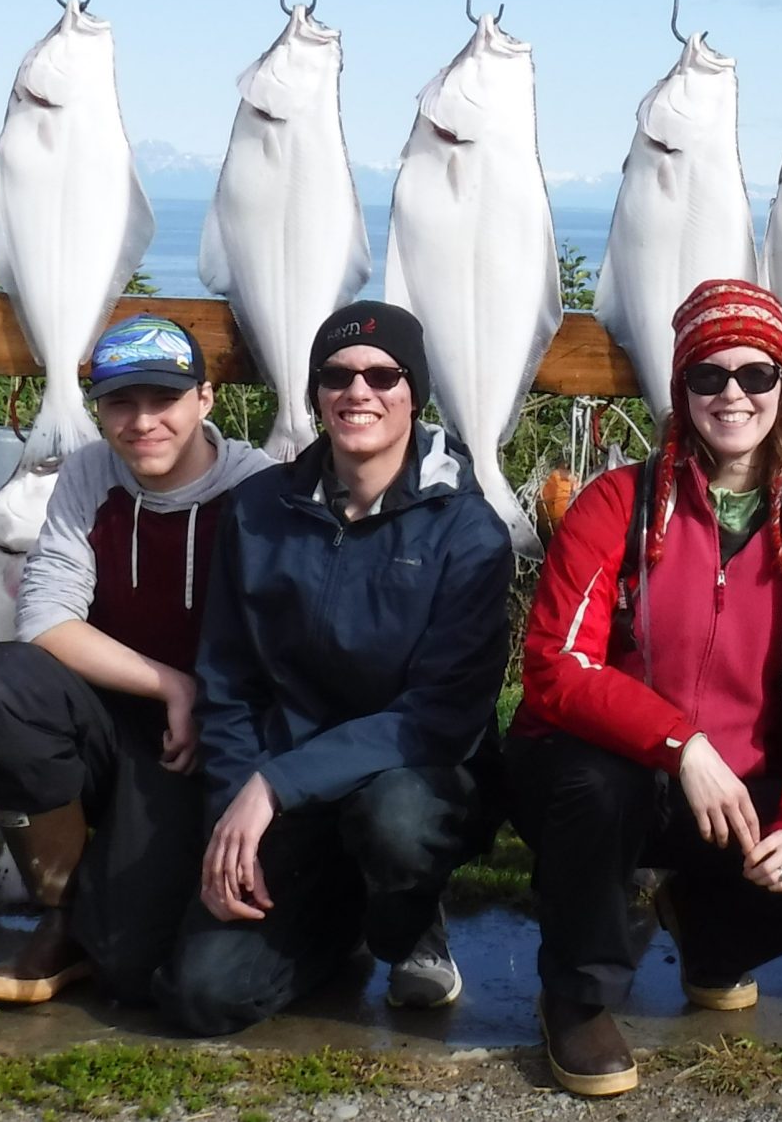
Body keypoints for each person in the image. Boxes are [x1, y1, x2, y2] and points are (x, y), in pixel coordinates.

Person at [509, 278, 782, 1097]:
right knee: (598, 779)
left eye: (756, 375)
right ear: (681, 390)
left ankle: (713, 936)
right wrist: (680, 744)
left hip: (738, 788)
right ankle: (576, 996)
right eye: (708, 375)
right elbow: (553, 664)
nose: (733, 393)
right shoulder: (616, 503)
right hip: (613, 775)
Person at [156, 301, 513, 1036]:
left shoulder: (469, 529)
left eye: (384, 375)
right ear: (316, 393)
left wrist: (273, 783)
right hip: (288, 793)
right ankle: (341, 916)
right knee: (202, 996)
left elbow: (442, 713)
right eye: (337, 375)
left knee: (395, 820)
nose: (359, 391)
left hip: (418, 778)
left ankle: (408, 921)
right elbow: (228, 683)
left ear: (415, 393)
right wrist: (235, 812)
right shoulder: (257, 508)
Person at [0, 315, 276, 1004]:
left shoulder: (261, 486)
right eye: (122, 402)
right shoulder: (89, 473)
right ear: (98, 407)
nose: (143, 421)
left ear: (205, 399)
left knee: (131, 967)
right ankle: (62, 909)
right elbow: (44, 616)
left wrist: (204, 704)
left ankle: (120, 912)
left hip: (211, 742)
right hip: (109, 713)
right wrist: (172, 685)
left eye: (165, 399)